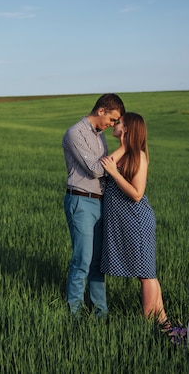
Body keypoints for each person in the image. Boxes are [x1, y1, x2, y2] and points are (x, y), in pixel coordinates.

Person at [100, 112, 173, 328]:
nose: (114, 124)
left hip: (137, 221)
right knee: (146, 273)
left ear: (127, 129)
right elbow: (106, 164)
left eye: (119, 123)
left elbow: (137, 194)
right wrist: (123, 145)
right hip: (125, 221)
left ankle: (150, 322)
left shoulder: (139, 156)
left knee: (145, 274)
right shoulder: (124, 153)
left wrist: (115, 174)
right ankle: (163, 322)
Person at [62, 93, 125, 316]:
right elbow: (97, 170)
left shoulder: (100, 136)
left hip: (100, 202)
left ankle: (101, 313)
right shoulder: (74, 133)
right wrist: (124, 149)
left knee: (98, 261)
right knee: (83, 259)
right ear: (101, 111)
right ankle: (75, 312)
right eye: (111, 119)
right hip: (81, 201)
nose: (112, 124)